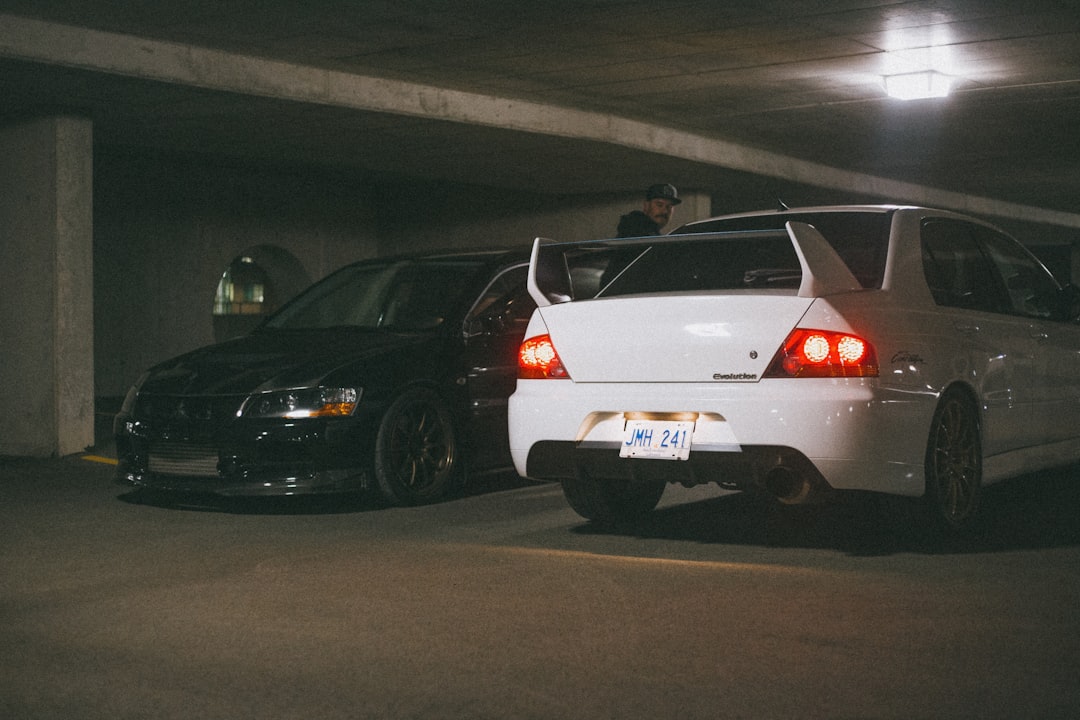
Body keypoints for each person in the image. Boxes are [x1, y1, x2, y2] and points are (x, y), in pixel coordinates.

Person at [616, 183, 681, 237]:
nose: (665, 211)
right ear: (646, 206)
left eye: (669, 207)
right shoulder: (633, 229)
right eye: (659, 205)